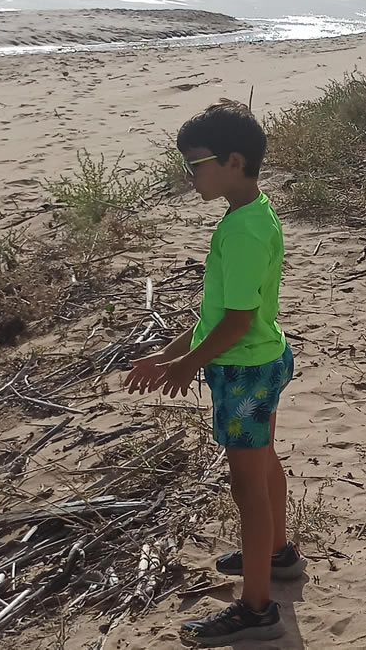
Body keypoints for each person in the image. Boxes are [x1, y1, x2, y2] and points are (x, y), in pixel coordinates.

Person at [126, 100, 301, 647]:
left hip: (245, 372)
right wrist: (170, 352)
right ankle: (278, 553)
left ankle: (255, 609)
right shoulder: (246, 214)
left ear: (234, 160)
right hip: (259, 360)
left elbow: (239, 320)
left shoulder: (245, 231)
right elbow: (216, 316)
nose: (190, 175)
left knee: (245, 483)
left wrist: (188, 364)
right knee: (265, 463)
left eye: (195, 163)